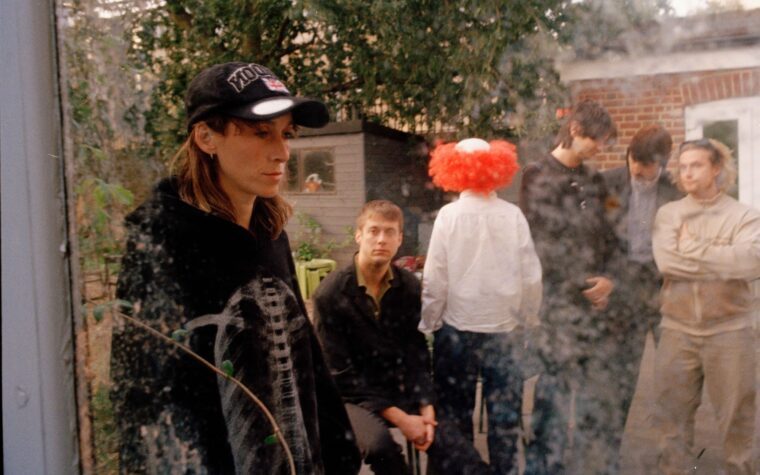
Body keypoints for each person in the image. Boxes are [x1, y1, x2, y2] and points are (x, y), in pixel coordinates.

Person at [110, 62, 360, 474]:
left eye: (286, 134)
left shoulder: (271, 233)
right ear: (206, 137)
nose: (282, 152)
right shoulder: (161, 245)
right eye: (262, 133)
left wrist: (339, 452)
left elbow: (305, 354)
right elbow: (141, 395)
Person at [313, 200, 493, 475]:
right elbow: (340, 374)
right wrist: (402, 419)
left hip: (397, 388)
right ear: (359, 235)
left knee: (456, 447)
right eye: (373, 231)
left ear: (399, 239)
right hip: (349, 398)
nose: (381, 239)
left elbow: (416, 354)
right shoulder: (330, 294)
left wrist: (426, 407)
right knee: (381, 447)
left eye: (389, 232)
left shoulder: (408, 286)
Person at [420, 138, 543, 474]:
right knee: (504, 420)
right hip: (506, 332)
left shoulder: (448, 216)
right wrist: (529, 318)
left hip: (457, 332)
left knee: (455, 417)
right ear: (495, 168)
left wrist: (430, 322)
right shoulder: (512, 215)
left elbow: (435, 278)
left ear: (453, 169)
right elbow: (531, 276)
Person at [519, 100, 621, 473]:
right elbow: (540, 243)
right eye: (597, 139)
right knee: (554, 392)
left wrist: (608, 279)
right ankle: (543, 467)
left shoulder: (595, 180)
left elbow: (609, 237)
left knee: (593, 393)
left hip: (595, 305)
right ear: (575, 130)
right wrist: (582, 285)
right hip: (559, 303)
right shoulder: (536, 175)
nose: (600, 148)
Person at [652, 138, 759, 474]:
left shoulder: (744, 216)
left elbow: (750, 263)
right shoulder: (669, 214)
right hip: (677, 331)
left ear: (716, 169)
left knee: (737, 421)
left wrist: (692, 249)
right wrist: (721, 258)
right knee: (671, 420)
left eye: (696, 165)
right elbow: (667, 263)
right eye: (683, 167)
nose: (687, 173)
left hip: (730, 332)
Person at [602, 124, 681, 431]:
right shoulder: (608, 183)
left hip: (664, 287)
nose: (636, 168)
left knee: (675, 374)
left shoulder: (675, 191)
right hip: (622, 285)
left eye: (646, 164)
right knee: (620, 375)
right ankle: (609, 445)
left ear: (662, 163)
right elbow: (599, 236)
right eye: (633, 159)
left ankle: (673, 446)